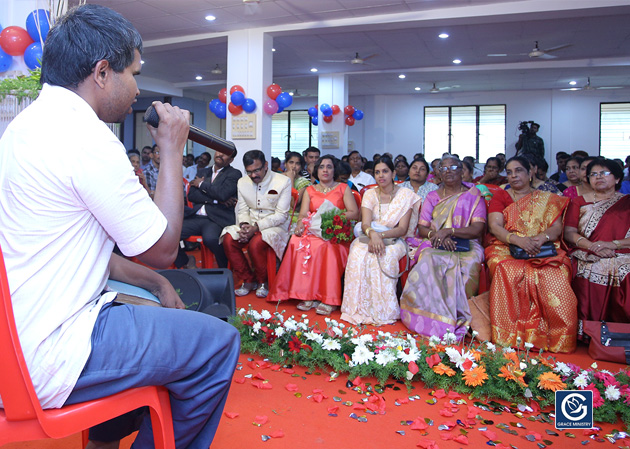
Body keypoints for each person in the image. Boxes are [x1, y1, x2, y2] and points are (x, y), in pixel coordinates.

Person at [0, 5, 239, 449]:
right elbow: (165, 249)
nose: (138, 89)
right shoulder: (87, 138)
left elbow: (81, 250)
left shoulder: (25, 127)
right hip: (50, 350)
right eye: (134, 73)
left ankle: (103, 442)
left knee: (150, 301)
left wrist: (155, 283)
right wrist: (171, 149)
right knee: (218, 344)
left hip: (16, 334)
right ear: (103, 72)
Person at [485, 156, 577, 353]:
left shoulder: (548, 198)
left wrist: (539, 239)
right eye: (509, 172)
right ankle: (509, 336)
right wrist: (518, 240)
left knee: (556, 272)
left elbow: (556, 228)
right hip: (506, 246)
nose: (513, 176)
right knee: (507, 270)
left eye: (518, 171)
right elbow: (494, 226)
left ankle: (556, 337)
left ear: (531, 172)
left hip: (541, 245)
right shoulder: (502, 196)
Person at [400, 155, 486, 340]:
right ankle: (433, 319)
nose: (448, 171)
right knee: (429, 259)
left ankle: (460, 319)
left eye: (453, 167)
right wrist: (438, 235)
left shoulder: (473, 195)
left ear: (462, 171)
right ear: (438, 173)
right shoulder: (432, 197)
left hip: (467, 243)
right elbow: (422, 229)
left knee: (469, 265)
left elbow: (477, 229)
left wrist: (449, 231)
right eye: (443, 168)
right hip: (436, 242)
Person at [268, 155, 359, 315]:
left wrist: (332, 218)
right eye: (322, 167)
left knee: (325, 246)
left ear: (334, 170)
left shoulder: (343, 188)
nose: (325, 170)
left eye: (329, 167)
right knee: (296, 242)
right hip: (313, 230)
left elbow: (354, 213)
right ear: (316, 170)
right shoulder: (310, 190)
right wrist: (299, 225)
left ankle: (327, 298)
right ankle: (307, 294)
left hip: (334, 232)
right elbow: (303, 214)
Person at [341, 156, 420, 326]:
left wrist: (380, 237)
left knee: (383, 255)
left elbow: (402, 229)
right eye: (377, 172)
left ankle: (381, 310)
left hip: (395, 240)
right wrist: (373, 235)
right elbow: (366, 223)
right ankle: (356, 308)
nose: (380, 175)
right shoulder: (369, 194)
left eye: (385, 171)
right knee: (357, 253)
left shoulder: (406, 196)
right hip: (369, 236)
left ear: (393, 173)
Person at [564, 158, 630, 331]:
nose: (598, 177)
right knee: (595, 266)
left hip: (623, 250)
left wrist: (611, 244)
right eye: (594, 174)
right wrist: (592, 246)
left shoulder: (627, 202)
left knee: (625, 269)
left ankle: (622, 332)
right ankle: (589, 330)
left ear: (617, 179)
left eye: (604, 173)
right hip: (586, 250)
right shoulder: (578, 202)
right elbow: (569, 232)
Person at [221, 150, 292, 298]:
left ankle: (263, 282)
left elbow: (281, 215)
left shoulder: (282, 182)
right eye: (249, 172)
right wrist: (245, 225)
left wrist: (257, 228)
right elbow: (242, 209)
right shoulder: (242, 182)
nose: (253, 175)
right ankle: (248, 279)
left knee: (256, 243)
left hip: (275, 225)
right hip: (250, 223)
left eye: (257, 170)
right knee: (228, 239)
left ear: (266, 165)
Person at [174, 150, 241, 269]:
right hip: (196, 215)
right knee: (170, 234)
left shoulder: (234, 174)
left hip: (215, 219)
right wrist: (216, 200)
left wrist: (201, 185)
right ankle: (186, 261)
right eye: (218, 151)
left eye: (224, 153)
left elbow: (222, 194)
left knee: (211, 239)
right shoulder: (203, 171)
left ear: (231, 159)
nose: (220, 154)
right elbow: (192, 195)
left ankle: (224, 268)